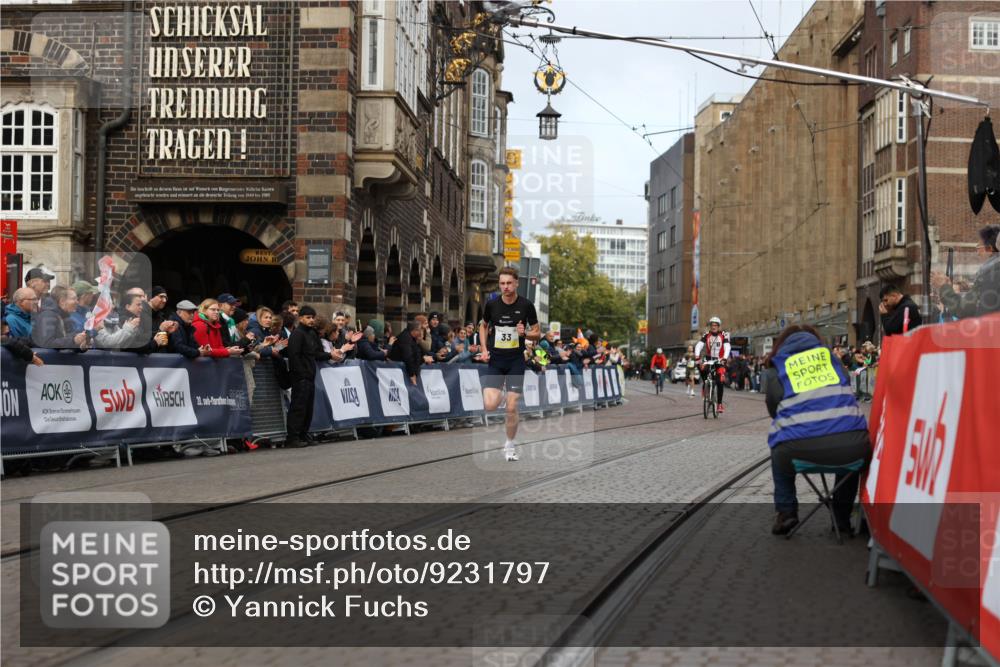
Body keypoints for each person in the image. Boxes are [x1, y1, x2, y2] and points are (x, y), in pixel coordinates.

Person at [763, 325, 870, 535]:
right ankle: (841, 518)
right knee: (850, 460)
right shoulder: (834, 362)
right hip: (853, 448)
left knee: (778, 450)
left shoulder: (779, 367)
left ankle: (786, 512)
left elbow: (774, 409)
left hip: (798, 450)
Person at [479, 266, 541, 462]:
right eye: (502, 283)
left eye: (508, 283)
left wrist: (525, 333)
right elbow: (484, 325)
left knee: (511, 406)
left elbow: (537, 333)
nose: (505, 287)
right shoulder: (491, 305)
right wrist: (484, 348)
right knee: (489, 405)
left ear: (516, 283)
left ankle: (509, 445)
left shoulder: (526, 305)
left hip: (515, 360)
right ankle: (506, 395)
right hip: (496, 360)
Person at [285, 306, 345, 448]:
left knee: (308, 408)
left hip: (310, 375)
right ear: (300, 318)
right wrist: (301, 374)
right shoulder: (297, 334)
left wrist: (330, 354)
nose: (311, 320)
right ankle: (292, 437)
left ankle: (303, 434)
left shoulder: (311, 334)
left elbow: (316, 354)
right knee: (298, 407)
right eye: (307, 317)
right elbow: (294, 356)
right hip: (301, 377)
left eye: (312, 317)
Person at [930, 224, 1000, 318]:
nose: (977, 253)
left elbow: (964, 310)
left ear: (990, 249)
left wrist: (943, 287)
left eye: (979, 247)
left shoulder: (990, 275)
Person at [695, 316, 731, 412]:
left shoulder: (724, 335)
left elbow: (727, 346)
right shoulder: (706, 335)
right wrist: (697, 356)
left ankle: (719, 404)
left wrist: (724, 358)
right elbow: (699, 345)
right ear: (710, 326)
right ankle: (705, 386)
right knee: (701, 367)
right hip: (708, 359)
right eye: (712, 325)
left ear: (718, 326)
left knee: (720, 381)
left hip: (719, 361)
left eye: (715, 325)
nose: (713, 327)